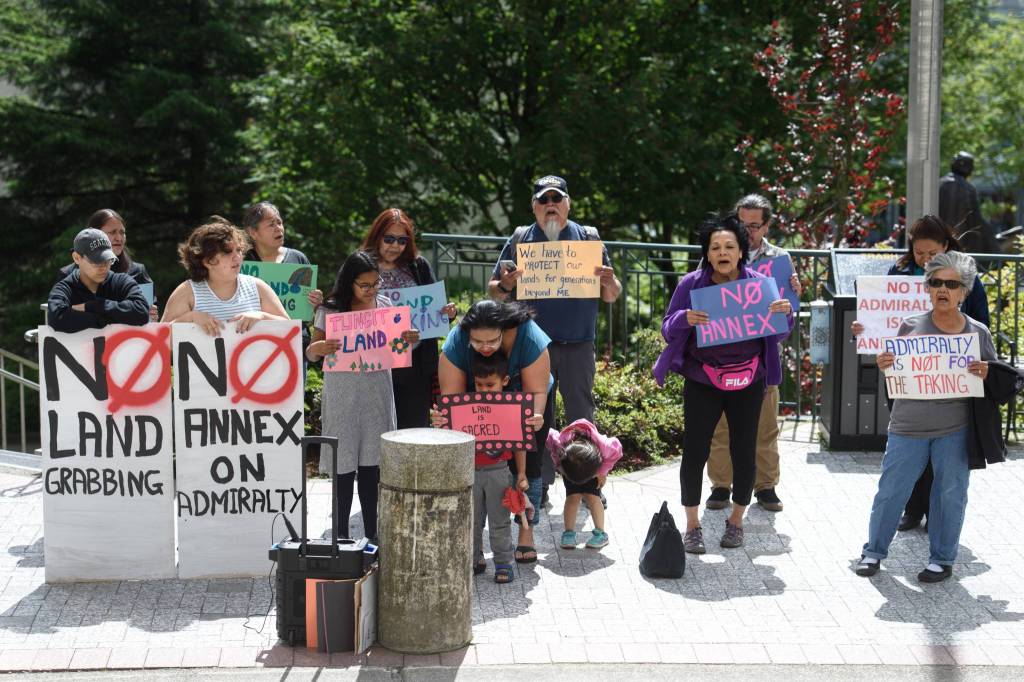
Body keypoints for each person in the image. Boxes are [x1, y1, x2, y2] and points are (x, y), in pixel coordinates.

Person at [653, 214, 794, 553]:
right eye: (715, 247)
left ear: (741, 252)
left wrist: (784, 312)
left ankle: (736, 522)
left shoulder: (759, 284)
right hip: (703, 379)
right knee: (695, 451)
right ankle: (692, 525)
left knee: (744, 449)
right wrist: (684, 318)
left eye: (730, 246)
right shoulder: (691, 285)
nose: (722, 252)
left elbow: (781, 331)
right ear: (707, 253)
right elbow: (667, 327)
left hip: (749, 380)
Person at [855, 251, 997, 583]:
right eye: (936, 282)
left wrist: (987, 371)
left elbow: (998, 379)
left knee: (950, 493)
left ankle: (942, 560)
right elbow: (897, 373)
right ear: (927, 288)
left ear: (964, 291)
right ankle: (873, 552)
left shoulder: (978, 334)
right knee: (891, 490)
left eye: (952, 284)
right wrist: (885, 364)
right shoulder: (910, 325)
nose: (943, 289)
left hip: (956, 429)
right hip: (908, 426)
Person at [487, 175, 621, 499]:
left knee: (581, 418)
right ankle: (539, 484)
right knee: (535, 418)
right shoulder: (520, 240)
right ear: (533, 206)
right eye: (543, 200)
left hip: (577, 344)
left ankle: (584, 483)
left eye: (556, 199)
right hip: (533, 348)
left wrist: (608, 280)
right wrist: (505, 284)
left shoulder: (588, 239)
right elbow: (494, 292)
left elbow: (612, 295)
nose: (550, 206)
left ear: (567, 204)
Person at [305, 251, 419, 542]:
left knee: (371, 470)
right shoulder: (330, 310)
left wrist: (409, 340)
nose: (371, 290)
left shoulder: (384, 305)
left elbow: (398, 345)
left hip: (377, 396)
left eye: (375, 283)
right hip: (343, 398)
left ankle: (373, 535)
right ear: (349, 283)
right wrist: (321, 348)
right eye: (364, 285)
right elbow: (311, 352)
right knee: (343, 470)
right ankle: (340, 538)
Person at [706, 194, 802, 513]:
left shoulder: (781, 260)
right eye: (741, 224)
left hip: (762, 356)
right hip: (722, 356)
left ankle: (766, 486)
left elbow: (790, 310)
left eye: (754, 225)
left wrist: (779, 321)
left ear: (768, 225)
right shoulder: (717, 252)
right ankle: (721, 484)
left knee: (765, 424)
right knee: (720, 423)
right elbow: (702, 296)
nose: (747, 232)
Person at [437, 299, 551, 564]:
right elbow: (453, 399)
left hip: (527, 397)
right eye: (477, 342)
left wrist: (535, 417)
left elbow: (536, 391)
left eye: (492, 341)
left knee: (529, 464)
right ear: (467, 335)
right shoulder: (456, 342)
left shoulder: (528, 336)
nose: (485, 348)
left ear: (505, 330)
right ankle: (474, 541)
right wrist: (446, 420)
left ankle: (526, 531)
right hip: (476, 400)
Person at [361, 208, 457, 428]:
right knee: (375, 430)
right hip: (373, 365)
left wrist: (448, 314)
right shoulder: (360, 264)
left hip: (415, 366)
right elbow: (346, 308)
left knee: (413, 430)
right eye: (389, 238)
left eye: (402, 240)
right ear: (377, 235)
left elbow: (434, 310)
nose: (395, 246)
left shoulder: (418, 265)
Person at [161, 218, 289, 334]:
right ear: (207, 261)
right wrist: (190, 318)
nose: (237, 257)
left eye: (239, 250)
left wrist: (262, 317)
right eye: (227, 252)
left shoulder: (258, 287)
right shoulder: (187, 292)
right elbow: (160, 342)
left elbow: (291, 330)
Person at [467, 351, 529, 584]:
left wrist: (521, 474)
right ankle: (472, 560)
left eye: (490, 385)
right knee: (471, 521)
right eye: (479, 384)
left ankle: (503, 562)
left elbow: (519, 443)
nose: (484, 390)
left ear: (504, 381)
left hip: (499, 471)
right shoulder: (467, 406)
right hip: (470, 472)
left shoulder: (510, 407)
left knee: (499, 521)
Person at [241, 201, 324, 358]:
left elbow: (309, 313)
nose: (278, 228)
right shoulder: (241, 262)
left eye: (279, 222)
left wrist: (316, 302)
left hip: (294, 344)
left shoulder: (298, 259)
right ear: (253, 232)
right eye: (271, 224)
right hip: (250, 344)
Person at [56, 209, 158, 322]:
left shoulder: (138, 271)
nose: (119, 238)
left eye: (122, 232)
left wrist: (152, 314)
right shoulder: (68, 274)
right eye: (112, 232)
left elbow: (148, 314)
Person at [48, 228, 149, 333]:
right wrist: (108, 319)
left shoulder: (121, 281)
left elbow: (142, 312)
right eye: (96, 261)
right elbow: (56, 320)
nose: (104, 267)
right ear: (77, 258)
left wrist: (93, 306)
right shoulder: (64, 288)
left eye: (108, 260)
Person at [548, 419, 622, 551]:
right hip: (571, 469)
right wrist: (559, 465)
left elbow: (617, 449)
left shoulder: (604, 446)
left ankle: (601, 533)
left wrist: (602, 472)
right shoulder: (561, 444)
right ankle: (569, 533)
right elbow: (549, 436)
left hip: (592, 470)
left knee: (593, 498)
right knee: (572, 497)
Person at [939, 152, 1001, 254]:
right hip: (961, 243)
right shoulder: (968, 189)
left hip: (936, 240)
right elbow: (976, 219)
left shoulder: (939, 184)